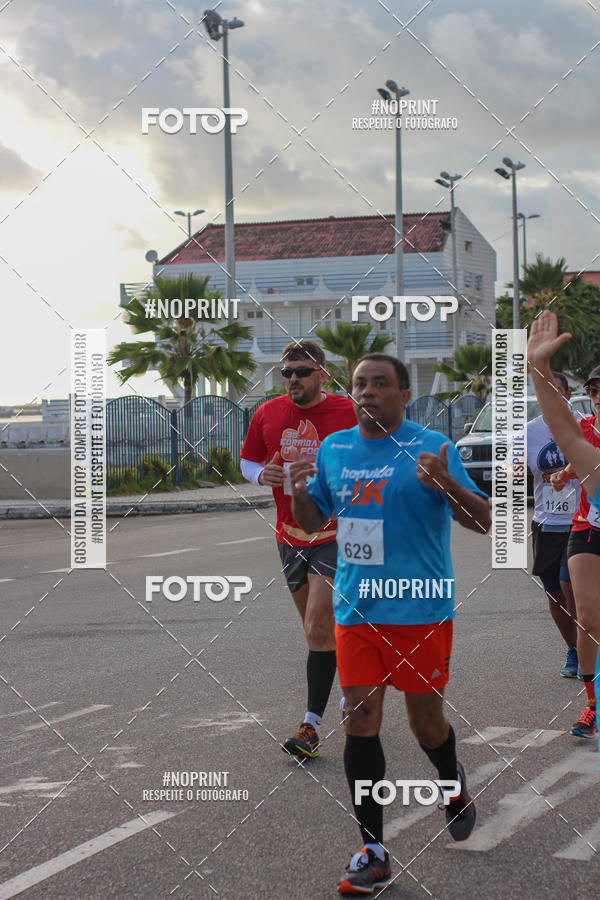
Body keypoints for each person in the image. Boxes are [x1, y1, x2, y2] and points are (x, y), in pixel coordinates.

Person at [290, 353, 491, 894]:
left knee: (427, 724)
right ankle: (373, 850)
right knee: (359, 721)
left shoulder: (433, 447)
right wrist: (297, 491)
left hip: (420, 609)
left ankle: (451, 782)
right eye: (360, 384)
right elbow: (314, 525)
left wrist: (447, 483)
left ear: (404, 395)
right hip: (357, 610)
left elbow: (485, 521)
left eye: (381, 384)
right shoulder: (334, 450)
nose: (368, 392)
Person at [240, 339, 356, 759]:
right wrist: (261, 476)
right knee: (316, 631)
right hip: (289, 534)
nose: (292, 379)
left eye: (302, 372)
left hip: (338, 532)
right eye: (286, 372)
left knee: (320, 623)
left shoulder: (347, 410)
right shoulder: (268, 412)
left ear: (321, 374)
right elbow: (248, 460)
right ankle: (354, 685)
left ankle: (310, 725)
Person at [528, 311, 600, 739]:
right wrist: (539, 369)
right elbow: (567, 437)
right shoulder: (586, 429)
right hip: (586, 528)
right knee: (588, 616)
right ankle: (592, 702)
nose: (599, 395)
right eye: (594, 388)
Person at [525, 372, 582, 678]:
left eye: (555, 391)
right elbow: (512, 467)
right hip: (546, 523)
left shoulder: (585, 425)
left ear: (567, 395)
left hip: (580, 521)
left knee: (569, 585)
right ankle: (574, 648)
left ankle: (589, 646)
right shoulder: (529, 431)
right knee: (554, 592)